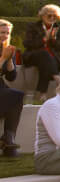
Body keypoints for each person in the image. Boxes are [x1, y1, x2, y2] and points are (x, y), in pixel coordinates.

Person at [22, 4, 60, 103]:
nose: (52, 18)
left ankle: (41, 94)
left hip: (52, 59)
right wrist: (44, 39)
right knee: (44, 55)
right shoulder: (32, 26)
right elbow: (27, 44)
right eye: (49, 16)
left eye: (54, 16)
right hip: (33, 56)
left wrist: (53, 40)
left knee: (46, 62)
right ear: (42, 16)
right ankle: (58, 78)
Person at [0, 19, 25, 156]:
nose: (5, 36)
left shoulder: (7, 48)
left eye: (7, 33)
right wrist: (3, 58)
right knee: (14, 96)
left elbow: (11, 77)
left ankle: (9, 137)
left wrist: (9, 59)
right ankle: (8, 140)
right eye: (2, 33)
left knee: (17, 95)